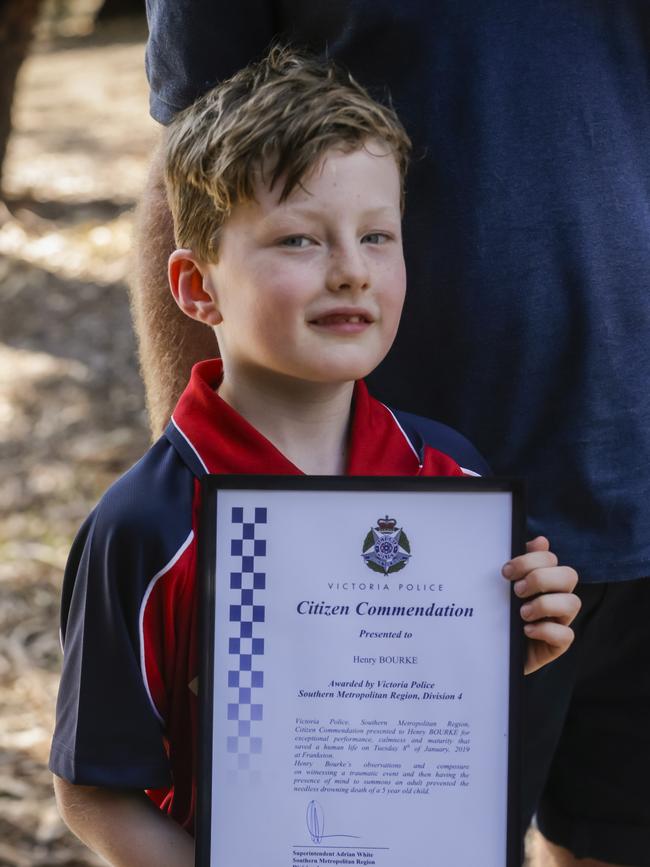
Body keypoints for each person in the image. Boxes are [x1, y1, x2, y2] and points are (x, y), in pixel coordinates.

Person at [135, 5, 650, 866]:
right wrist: (210, 500)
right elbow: (195, 161)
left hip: (632, 477)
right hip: (389, 543)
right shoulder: (143, 533)